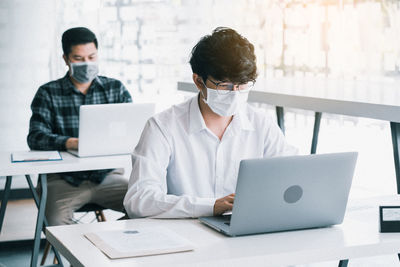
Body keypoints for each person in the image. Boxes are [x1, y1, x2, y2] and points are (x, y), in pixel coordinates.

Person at [123, 27, 297, 219]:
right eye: (225, 86)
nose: (235, 93)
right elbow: (139, 200)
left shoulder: (262, 125)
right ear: (199, 82)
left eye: (243, 85)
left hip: (245, 231)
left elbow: (291, 179)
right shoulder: (163, 127)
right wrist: (210, 206)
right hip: (184, 233)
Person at [27, 27, 132, 226]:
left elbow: (132, 132)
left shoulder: (115, 89)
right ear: (66, 59)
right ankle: (79, 252)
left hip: (108, 177)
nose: (87, 64)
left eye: (92, 57)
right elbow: (35, 137)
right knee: (54, 222)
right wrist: (71, 142)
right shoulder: (48, 93)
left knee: (146, 206)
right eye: (78, 58)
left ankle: (104, 246)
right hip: (62, 181)